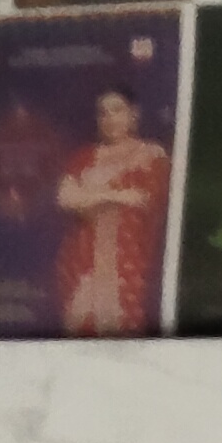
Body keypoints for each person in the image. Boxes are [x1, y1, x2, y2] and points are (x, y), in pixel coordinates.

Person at [55, 83, 169, 335]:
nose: (109, 119)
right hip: (82, 261)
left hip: (128, 262)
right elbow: (66, 198)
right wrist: (115, 195)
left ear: (134, 113)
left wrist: (90, 196)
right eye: (103, 113)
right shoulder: (84, 156)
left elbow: (144, 199)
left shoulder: (151, 155)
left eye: (117, 110)